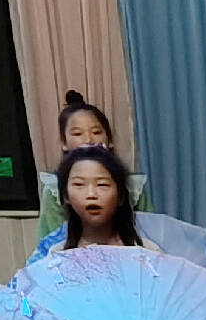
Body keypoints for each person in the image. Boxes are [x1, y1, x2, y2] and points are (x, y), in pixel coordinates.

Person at [36, 90, 152, 239]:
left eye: (96, 132)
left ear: (109, 140)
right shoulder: (54, 190)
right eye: (77, 134)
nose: (89, 140)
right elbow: (50, 239)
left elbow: (150, 231)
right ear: (64, 143)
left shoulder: (134, 187)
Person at [27, 145, 146, 263]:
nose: (91, 194)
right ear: (66, 196)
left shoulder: (146, 253)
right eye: (79, 184)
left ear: (120, 196)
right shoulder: (55, 258)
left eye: (102, 184)